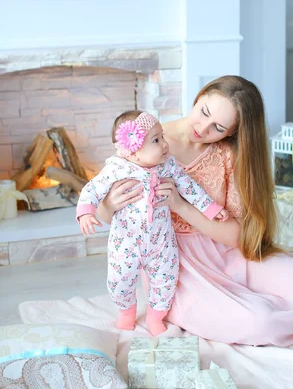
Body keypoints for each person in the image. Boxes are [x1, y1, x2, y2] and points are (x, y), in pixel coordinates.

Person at [97, 76, 293, 346]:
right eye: (204, 112)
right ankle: (264, 312)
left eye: (218, 127)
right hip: (174, 264)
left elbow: (237, 236)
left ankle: (263, 304)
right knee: (260, 322)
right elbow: (106, 214)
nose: (203, 129)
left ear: (232, 133)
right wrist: (108, 205)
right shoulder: (145, 142)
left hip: (228, 255)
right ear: (199, 96)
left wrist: (181, 205)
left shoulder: (227, 154)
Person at [77, 110, 227, 335]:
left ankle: (156, 317)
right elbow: (92, 189)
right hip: (125, 243)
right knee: (119, 281)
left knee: (166, 280)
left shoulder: (168, 166)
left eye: (162, 137)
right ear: (133, 151)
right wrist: (86, 212)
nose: (165, 144)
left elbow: (190, 188)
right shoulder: (117, 169)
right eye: (156, 140)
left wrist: (211, 209)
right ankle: (126, 312)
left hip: (161, 242)